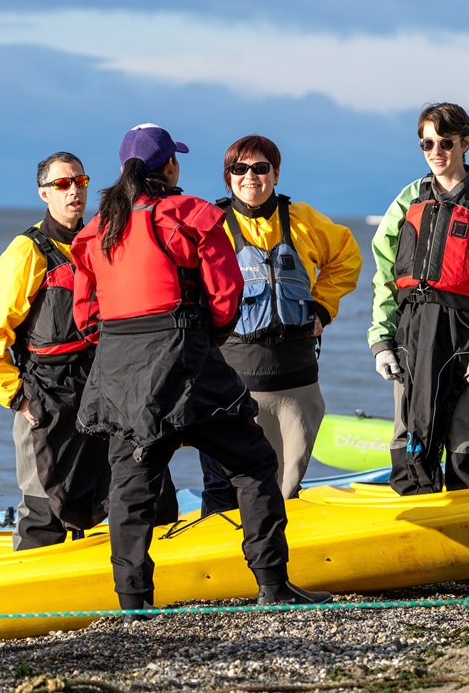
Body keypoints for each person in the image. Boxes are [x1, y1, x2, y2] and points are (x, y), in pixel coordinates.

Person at [70, 123, 330, 617]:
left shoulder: (94, 229)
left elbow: (85, 317)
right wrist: (200, 340)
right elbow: (226, 295)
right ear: (169, 166)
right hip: (189, 362)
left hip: (122, 376)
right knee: (254, 466)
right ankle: (273, 585)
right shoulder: (191, 214)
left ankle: (133, 605)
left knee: (130, 489)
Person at [368, 102, 469, 495]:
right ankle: (413, 520)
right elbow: (385, 274)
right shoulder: (409, 199)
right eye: (427, 144)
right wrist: (381, 342)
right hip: (411, 337)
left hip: (465, 337)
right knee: (408, 433)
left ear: (466, 142)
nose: (436, 152)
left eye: (446, 142)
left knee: (467, 440)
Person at [198, 135, 361, 512]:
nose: (250, 177)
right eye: (239, 169)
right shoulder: (211, 225)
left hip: (296, 380)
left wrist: (321, 309)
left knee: (287, 482)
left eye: (260, 168)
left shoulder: (302, 218)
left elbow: (346, 256)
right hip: (236, 382)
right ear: (228, 176)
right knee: (232, 484)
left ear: (276, 173)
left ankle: (281, 553)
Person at [0, 152, 112, 550]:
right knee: (44, 507)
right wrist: (17, 397)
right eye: (62, 185)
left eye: (79, 183)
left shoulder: (97, 243)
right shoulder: (25, 252)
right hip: (45, 396)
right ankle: (30, 586)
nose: (73, 192)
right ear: (44, 194)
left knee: (98, 495)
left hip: (95, 391)